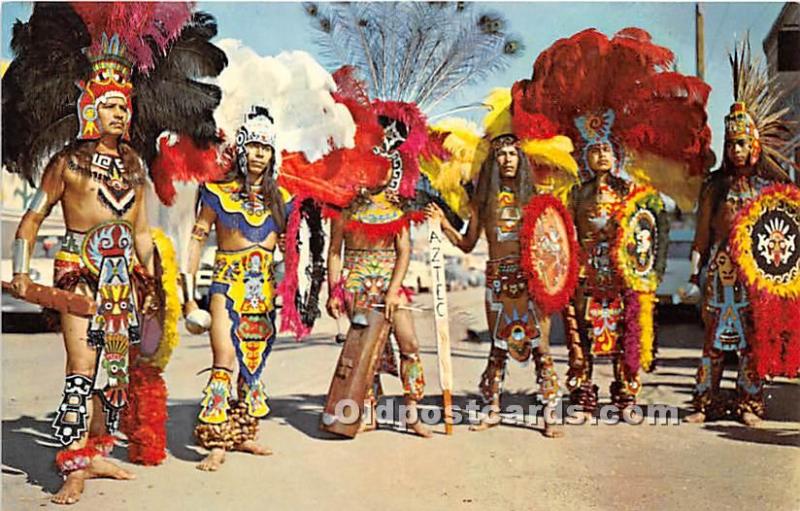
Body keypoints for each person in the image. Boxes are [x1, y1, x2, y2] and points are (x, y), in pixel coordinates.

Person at [682, 41, 796, 427]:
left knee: (750, 339)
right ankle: (704, 401)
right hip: (719, 268)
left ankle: (749, 403)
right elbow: (702, 230)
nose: (737, 150)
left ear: (756, 145)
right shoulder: (715, 186)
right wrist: (694, 268)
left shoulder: (769, 189)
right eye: (731, 144)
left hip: (755, 274)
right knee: (714, 336)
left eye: (743, 143)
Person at [427, 132, 566, 438]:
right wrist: (444, 223)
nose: (507, 160)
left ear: (522, 160)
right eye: (501, 155)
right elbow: (466, 244)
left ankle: (550, 415)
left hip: (531, 282)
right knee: (498, 347)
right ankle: (492, 410)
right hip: (498, 281)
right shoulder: (482, 203)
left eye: (513, 154)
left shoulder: (536, 200)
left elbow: (554, 244)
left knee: (541, 347)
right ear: (493, 162)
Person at [183, 106, 294, 470]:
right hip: (225, 287)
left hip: (263, 290)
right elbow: (197, 239)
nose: (260, 153)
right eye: (254, 146)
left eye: (266, 147)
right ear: (242, 150)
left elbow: (297, 244)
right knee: (224, 361)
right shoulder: (216, 193)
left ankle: (244, 434)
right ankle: (216, 442)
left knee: (253, 364)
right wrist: (187, 293)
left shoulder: (285, 199)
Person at [324, 114, 432, 439]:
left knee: (409, 343)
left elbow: (404, 252)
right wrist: (333, 291)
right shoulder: (346, 208)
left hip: (390, 287)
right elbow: (334, 251)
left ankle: (413, 412)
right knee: (363, 351)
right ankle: (368, 408)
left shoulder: (399, 209)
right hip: (356, 286)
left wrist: (393, 291)